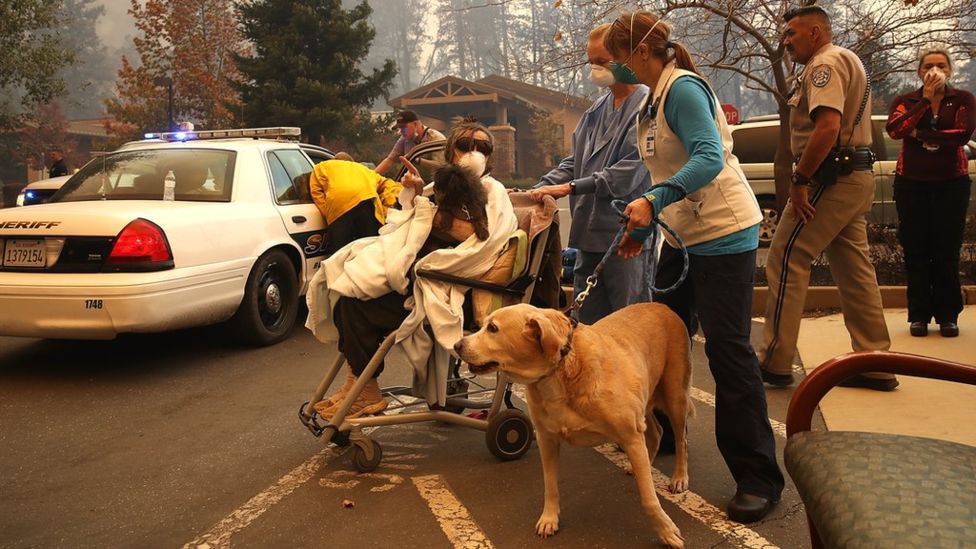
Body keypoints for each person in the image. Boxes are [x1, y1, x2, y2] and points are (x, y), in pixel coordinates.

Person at [605, 10, 784, 524]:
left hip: (725, 234)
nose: (611, 69)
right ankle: (662, 435)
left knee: (728, 353)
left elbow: (707, 157)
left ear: (640, 52)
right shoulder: (652, 99)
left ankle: (758, 476)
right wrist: (643, 224)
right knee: (657, 332)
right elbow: (665, 170)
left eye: (614, 59)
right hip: (684, 236)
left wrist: (656, 198)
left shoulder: (682, 90)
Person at [311, 122, 517, 419]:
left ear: (490, 156)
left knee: (356, 305)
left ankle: (364, 388)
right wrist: (416, 194)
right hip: (416, 272)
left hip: (446, 282)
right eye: (466, 145)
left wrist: (429, 214)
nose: (474, 152)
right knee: (344, 284)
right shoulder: (439, 185)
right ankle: (357, 383)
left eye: (482, 147)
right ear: (451, 151)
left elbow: (482, 243)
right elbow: (401, 223)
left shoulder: (492, 190)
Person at [757, 5, 897, 392]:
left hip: (829, 178)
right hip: (854, 176)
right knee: (855, 270)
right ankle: (875, 361)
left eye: (792, 34)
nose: (786, 42)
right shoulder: (847, 58)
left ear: (816, 32)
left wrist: (800, 179)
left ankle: (774, 360)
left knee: (786, 256)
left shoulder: (825, 65)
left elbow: (828, 126)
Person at [529, 23, 651, 324]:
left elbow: (627, 173)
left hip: (625, 236)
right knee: (585, 326)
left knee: (628, 324)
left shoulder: (648, 107)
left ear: (627, 57)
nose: (595, 68)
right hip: (588, 236)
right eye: (591, 61)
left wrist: (570, 187)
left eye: (602, 61)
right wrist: (538, 188)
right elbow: (575, 162)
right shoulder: (595, 111)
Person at [885, 47, 975, 338]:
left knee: (946, 250)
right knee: (916, 250)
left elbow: (961, 134)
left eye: (940, 65)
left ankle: (948, 314)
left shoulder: (962, 100)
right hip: (912, 181)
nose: (934, 70)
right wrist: (924, 102)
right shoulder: (907, 101)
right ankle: (919, 314)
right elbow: (897, 129)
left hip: (952, 182)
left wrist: (920, 134)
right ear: (919, 71)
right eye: (928, 66)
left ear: (949, 70)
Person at [308, 151, 403, 255]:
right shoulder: (364, 170)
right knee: (368, 249)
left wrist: (328, 212)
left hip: (339, 205)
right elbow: (389, 185)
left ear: (334, 161)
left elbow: (316, 192)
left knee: (340, 254)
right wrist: (387, 210)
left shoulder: (321, 167)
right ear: (353, 162)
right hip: (366, 204)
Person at [374, 110, 446, 176]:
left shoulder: (436, 138)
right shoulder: (404, 139)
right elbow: (390, 160)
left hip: (434, 183)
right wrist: (372, 176)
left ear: (415, 124)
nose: (401, 131)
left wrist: (416, 159)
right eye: (400, 128)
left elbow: (442, 166)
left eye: (404, 127)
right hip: (413, 182)